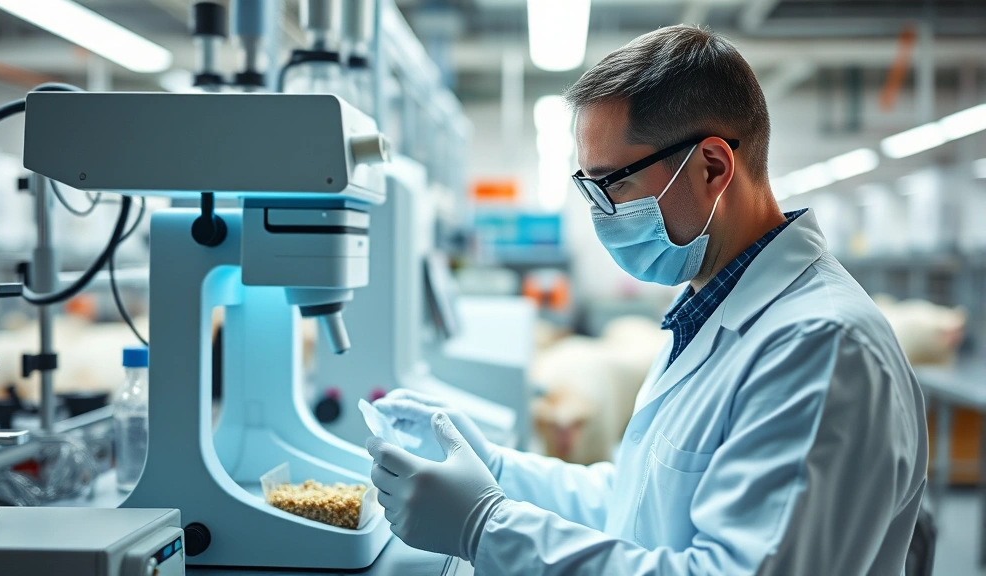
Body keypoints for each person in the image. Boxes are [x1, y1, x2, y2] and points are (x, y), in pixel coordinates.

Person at [366, 25, 928, 575]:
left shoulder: (822, 349)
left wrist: (485, 526)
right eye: (589, 186)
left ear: (712, 166)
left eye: (614, 184)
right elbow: (637, 501)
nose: (601, 213)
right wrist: (497, 469)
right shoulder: (708, 306)